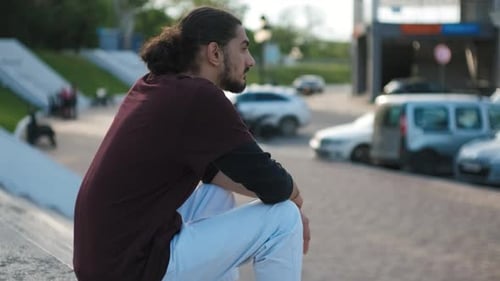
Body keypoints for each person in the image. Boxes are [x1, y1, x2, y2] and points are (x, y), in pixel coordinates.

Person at [73, 6, 310, 281]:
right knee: (283, 220)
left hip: (104, 261)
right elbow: (272, 182)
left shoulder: (154, 84)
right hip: (131, 268)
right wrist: (295, 204)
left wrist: (284, 196)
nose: (251, 61)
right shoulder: (200, 96)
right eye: (243, 48)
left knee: (216, 192)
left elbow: (212, 171)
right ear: (215, 53)